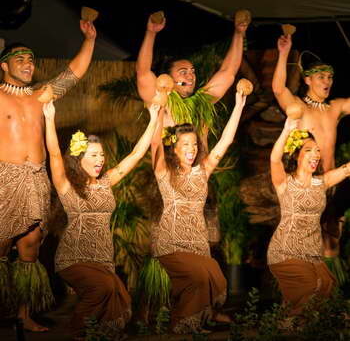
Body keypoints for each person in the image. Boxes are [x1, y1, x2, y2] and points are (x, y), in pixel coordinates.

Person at [0, 19, 96, 331]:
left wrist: (90, 40)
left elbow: (74, 74)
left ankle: (24, 315)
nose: (28, 64)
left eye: (30, 60)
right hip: (5, 178)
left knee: (30, 246)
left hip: (36, 179)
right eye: (20, 59)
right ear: (4, 66)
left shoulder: (41, 94)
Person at [43, 100, 160, 340]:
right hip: (73, 257)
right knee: (102, 289)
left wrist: (154, 118)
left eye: (102, 155)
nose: (100, 160)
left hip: (103, 260)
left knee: (123, 301)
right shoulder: (67, 186)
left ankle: (99, 335)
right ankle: (76, 333)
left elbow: (137, 153)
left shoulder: (107, 183)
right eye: (94, 155)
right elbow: (55, 154)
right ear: (78, 158)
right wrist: (49, 118)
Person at [151, 91, 247, 334]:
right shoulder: (164, 171)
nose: (192, 149)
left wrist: (238, 105)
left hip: (198, 242)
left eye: (195, 144)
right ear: (174, 147)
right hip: (171, 242)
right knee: (200, 277)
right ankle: (183, 324)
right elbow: (154, 146)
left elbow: (225, 141)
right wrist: (158, 112)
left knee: (215, 279)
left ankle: (185, 321)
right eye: (185, 144)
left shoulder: (203, 170)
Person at [272, 33, 350, 281]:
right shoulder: (298, 107)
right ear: (307, 80)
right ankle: (302, 291)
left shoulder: (335, 107)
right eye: (321, 77)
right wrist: (284, 53)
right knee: (306, 239)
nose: (327, 81)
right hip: (305, 186)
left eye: (330, 77)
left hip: (332, 183)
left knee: (331, 238)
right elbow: (277, 88)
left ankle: (329, 298)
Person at [267, 117, 350, 319]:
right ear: (296, 155)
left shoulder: (321, 183)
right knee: (311, 287)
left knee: (327, 286)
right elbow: (274, 159)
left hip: (312, 254)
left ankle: (295, 325)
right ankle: (287, 324)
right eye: (308, 150)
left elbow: (347, 169)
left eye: (317, 151)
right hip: (285, 251)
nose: (316, 155)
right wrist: (286, 130)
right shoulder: (284, 182)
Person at [136, 11, 249, 134]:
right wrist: (151, 32)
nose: (191, 76)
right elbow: (143, 72)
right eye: (183, 72)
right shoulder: (157, 100)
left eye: (192, 71)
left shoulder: (200, 102)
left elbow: (227, 72)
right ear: (168, 78)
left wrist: (239, 33)